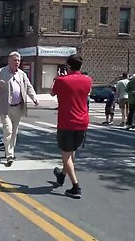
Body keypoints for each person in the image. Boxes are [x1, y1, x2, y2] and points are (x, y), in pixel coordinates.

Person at [50, 54, 92, 199]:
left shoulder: (61, 80)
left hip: (67, 121)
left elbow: (52, 93)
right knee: (71, 151)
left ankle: (75, 186)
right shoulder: (88, 80)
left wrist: (57, 78)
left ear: (68, 66)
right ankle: (61, 175)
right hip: (82, 121)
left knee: (65, 154)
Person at [0, 51, 38, 167]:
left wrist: (34, 98)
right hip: (5, 107)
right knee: (8, 130)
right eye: (14, 60)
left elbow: (28, 87)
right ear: (9, 61)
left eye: (18, 60)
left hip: (18, 107)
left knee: (14, 132)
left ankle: (9, 151)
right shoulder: (0, 72)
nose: (17, 62)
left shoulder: (22, 74)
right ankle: (9, 156)